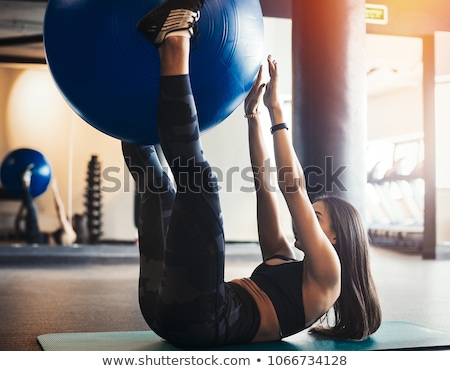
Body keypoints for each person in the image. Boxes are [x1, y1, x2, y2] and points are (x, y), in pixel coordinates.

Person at [123, 0, 381, 348]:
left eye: (317, 217)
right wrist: (254, 116)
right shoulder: (283, 257)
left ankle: (175, 40)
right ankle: (119, 100)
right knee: (158, 184)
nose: (305, 219)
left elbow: (293, 189)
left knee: (200, 183)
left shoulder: (328, 277)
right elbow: (265, 184)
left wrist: (278, 111)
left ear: (336, 238)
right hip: (164, 310)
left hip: (202, 319)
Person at [15, 166, 87, 245]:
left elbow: (60, 212)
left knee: (32, 209)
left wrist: (55, 190)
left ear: (75, 223)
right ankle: (25, 184)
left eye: (72, 218)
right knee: (31, 210)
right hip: (39, 239)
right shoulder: (70, 233)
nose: (69, 217)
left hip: (38, 240)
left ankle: (25, 182)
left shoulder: (71, 234)